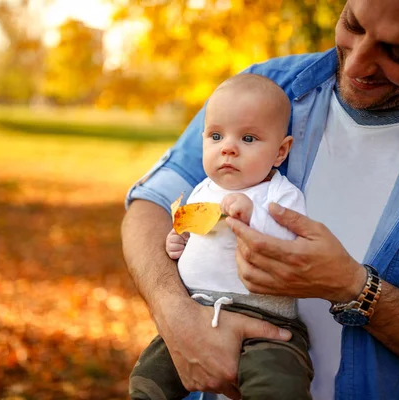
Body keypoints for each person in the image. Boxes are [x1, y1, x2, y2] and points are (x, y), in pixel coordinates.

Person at [121, 0, 399, 399]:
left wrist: (353, 288)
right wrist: (176, 314)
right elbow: (150, 206)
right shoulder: (262, 89)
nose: (358, 64)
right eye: (353, 25)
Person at [129, 74, 313, 400]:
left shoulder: (281, 196)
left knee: (278, 385)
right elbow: (196, 234)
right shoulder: (203, 189)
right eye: (216, 136)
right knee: (148, 379)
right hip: (198, 313)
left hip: (265, 319)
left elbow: (290, 245)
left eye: (249, 139)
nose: (228, 147)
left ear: (280, 152)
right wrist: (178, 243)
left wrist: (252, 218)